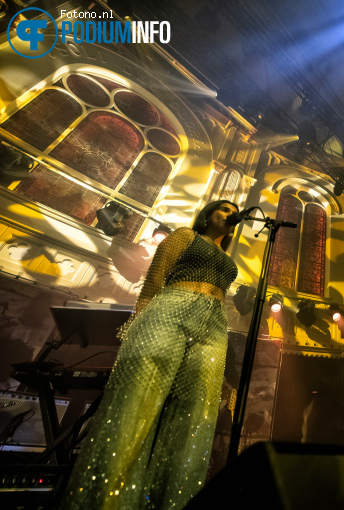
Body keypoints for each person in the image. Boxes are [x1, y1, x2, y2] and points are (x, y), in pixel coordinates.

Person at [62, 200, 240, 510]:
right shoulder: (185, 236)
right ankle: (105, 502)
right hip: (170, 309)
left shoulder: (227, 257)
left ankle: (170, 502)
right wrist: (139, 322)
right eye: (223, 208)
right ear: (208, 213)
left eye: (232, 211)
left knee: (197, 411)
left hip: (213, 323)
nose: (229, 214)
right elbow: (156, 277)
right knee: (138, 401)